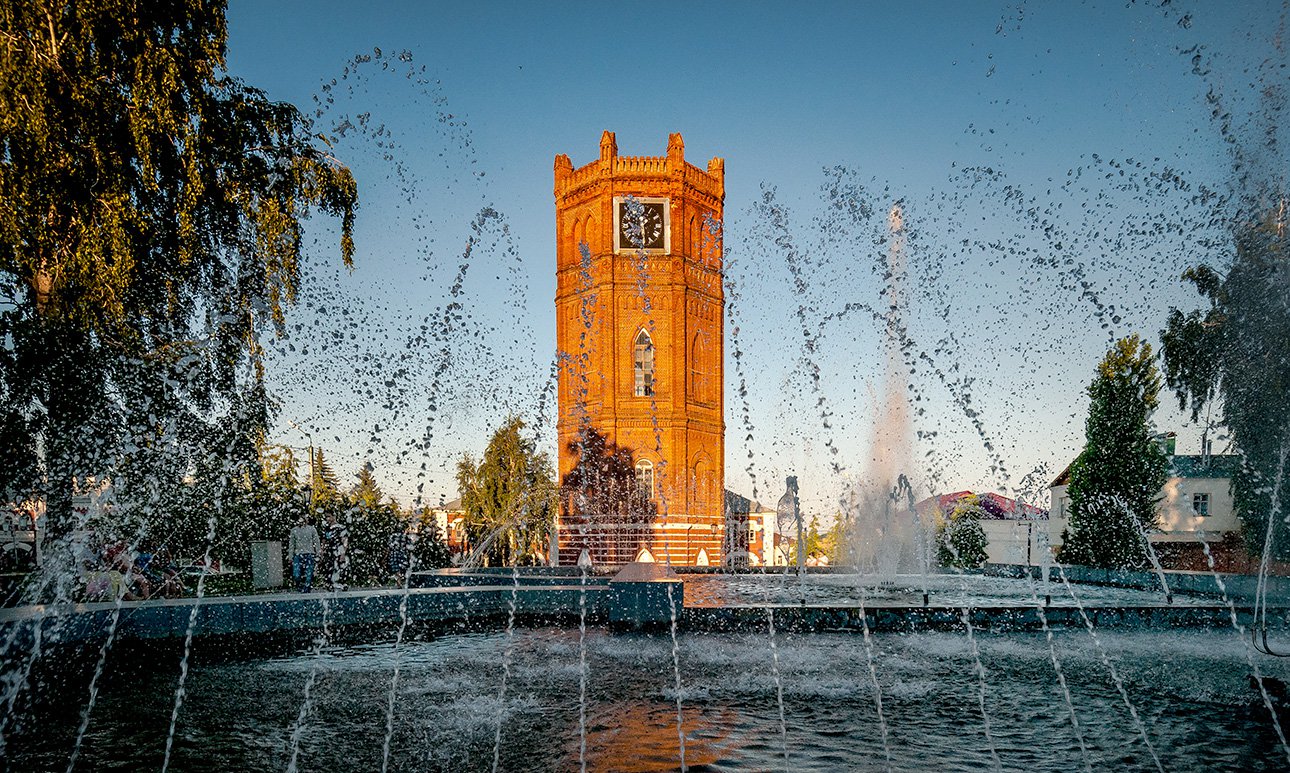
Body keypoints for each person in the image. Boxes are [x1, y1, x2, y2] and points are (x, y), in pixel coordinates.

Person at [288, 517, 320, 592]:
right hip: (298, 554)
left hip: (309, 554)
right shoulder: (294, 530)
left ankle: (307, 588)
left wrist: (318, 553)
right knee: (296, 574)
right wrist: (290, 556)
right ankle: (299, 585)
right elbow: (292, 544)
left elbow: (316, 542)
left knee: (309, 575)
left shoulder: (312, 529)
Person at [323, 514, 349, 591]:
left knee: (341, 567)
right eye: (327, 517)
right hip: (329, 551)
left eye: (329, 516)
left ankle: (343, 584)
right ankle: (329, 584)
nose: (328, 518)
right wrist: (322, 551)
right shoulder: (327, 528)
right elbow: (324, 540)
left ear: (334, 517)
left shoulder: (341, 527)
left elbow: (345, 541)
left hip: (339, 550)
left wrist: (343, 553)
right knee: (329, 568)